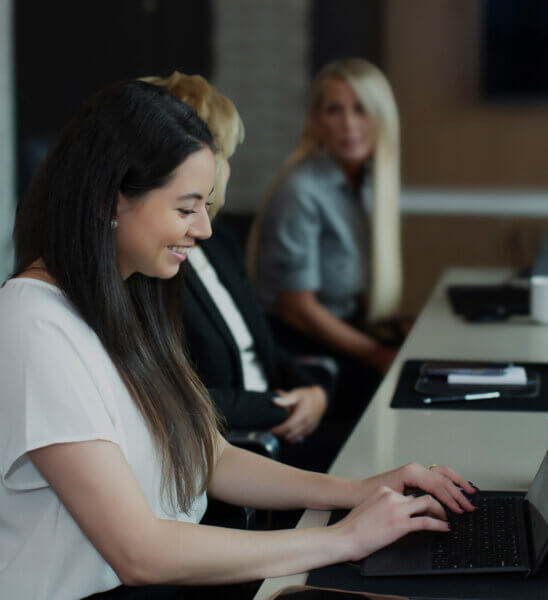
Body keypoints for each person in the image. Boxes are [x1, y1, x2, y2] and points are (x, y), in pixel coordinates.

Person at [0, 79, 476, 600]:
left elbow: (211, 457)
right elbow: (140, 552)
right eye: (186, 209)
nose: (203, 228)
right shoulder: (34, 325)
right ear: (111, 201)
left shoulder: (128, 295)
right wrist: (344, 538)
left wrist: (359, 490)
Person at [146, 72, 349, 472]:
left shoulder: (219, 243)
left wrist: (314, 393)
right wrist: (282, 408)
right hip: (241, 448)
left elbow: (263, 347)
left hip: (278, 424)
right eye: (224, 155)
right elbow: (179, 394)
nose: (226, 170)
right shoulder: (156, 265)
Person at [248, 59, 403, 414]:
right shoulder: (301, 191)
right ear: (316, 122)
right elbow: (297, 310)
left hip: (342, 335)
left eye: (361, 109)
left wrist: (393, 327)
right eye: (335, 110)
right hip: (301, 351)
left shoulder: (364, 186)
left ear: (382, 118)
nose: (349, 124)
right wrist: (377, 353)